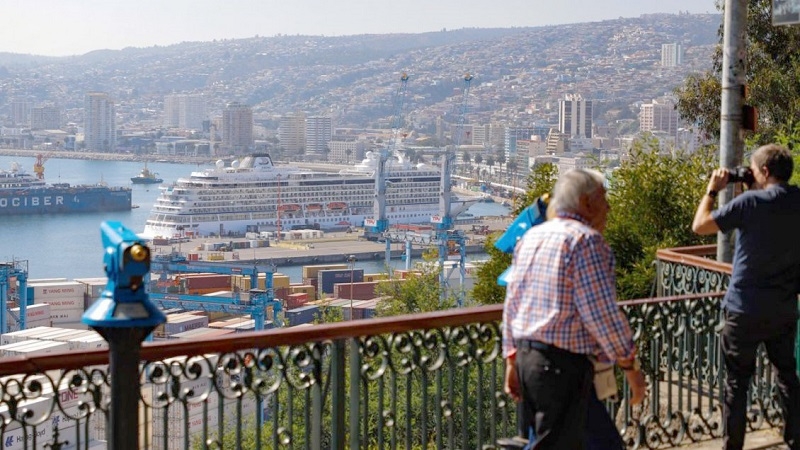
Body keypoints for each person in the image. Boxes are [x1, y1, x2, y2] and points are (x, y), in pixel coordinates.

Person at [502, 168, 646, 449]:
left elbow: (512, 305)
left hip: (529, 362)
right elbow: (601, 315)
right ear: (586, 202)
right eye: (604, 198)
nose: (609, 207)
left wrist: (512, 360)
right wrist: (629, 365)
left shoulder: (532, 237)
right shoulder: (586, 242)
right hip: (562, 367)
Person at [692, 143, 800, 450]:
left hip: (744, 310)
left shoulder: (750, 204)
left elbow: (700, 225)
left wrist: (712, 191)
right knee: (788, 377)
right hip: (783, 308)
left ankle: (733, 446)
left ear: (764, 171)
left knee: (737, 384)